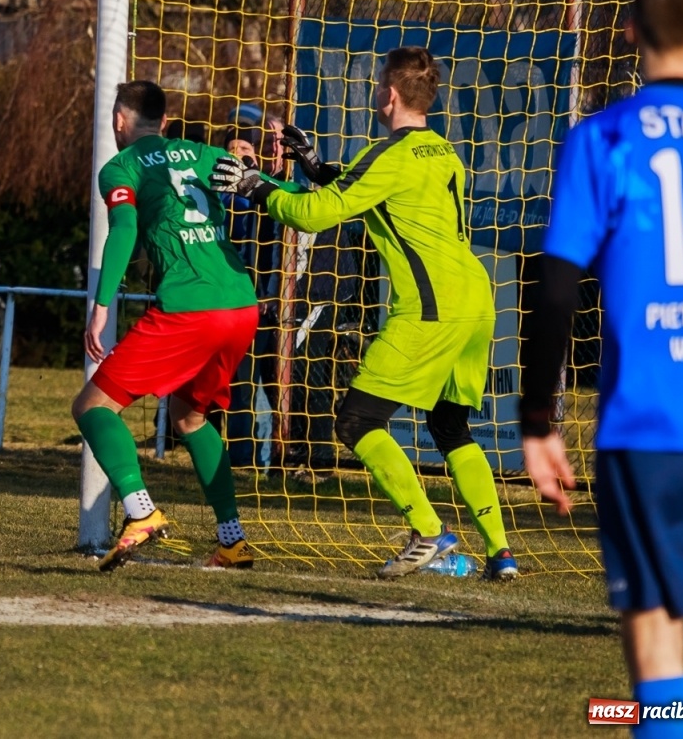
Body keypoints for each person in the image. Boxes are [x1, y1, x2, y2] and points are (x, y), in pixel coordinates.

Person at [521, 0, 683, 737]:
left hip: (648, 423)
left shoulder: (603, 139)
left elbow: (556, 291)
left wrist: (536, 422)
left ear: (627, 31)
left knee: (658, 638)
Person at [213, 46, 517, 580]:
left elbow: (313, 213)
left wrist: (255, 187)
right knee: (450, 427)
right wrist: (312, 165)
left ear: (389, 95)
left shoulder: (390, 153)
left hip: (431, 306)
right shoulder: (442, 152)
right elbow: (367, 191)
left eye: (379, 85)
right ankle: (501, 555)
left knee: (357, 420)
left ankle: (426, 531)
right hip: (475, 299)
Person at [77, 81, 274, 572]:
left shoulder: (119, 168)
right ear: (164, 122)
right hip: (241, 306)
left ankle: (141, 512)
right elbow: (279, 193)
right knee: (189, 416)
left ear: (119, 120)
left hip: (190, 309)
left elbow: (122, 230)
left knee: (93, 407)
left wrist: (102, 306)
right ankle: (232, 540)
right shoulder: (204, 154)